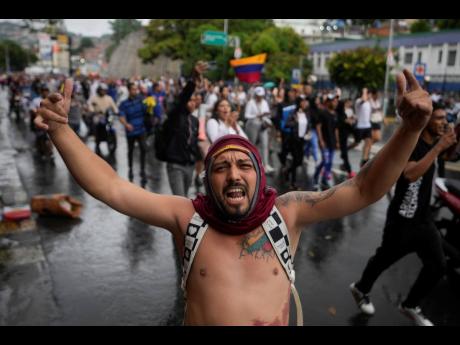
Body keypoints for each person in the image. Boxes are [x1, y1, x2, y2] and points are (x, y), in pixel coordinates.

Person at [35, 68, 432, 326]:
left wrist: (410, 130)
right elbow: (112, 188)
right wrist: (61, 132)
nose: (233, 174)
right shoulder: (187, 217)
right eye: (221, 168)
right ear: (208, 180)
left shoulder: (288, 213)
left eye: (244, 165)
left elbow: (364, 188)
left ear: (260, 176)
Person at [350, 102, 457, 326]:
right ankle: (360, 289)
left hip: (424, 220)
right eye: (438, 118)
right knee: (383, 259)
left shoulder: (436, 142)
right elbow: (409, 174)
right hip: (402, 221)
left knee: (438, 266)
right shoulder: (413, 144)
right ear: (425, 121)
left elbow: (449, 155)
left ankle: (409, 305)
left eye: (444, 117)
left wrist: (449, 140)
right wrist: (438, 149)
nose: (443, 122)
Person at [118, 82, 149, 187]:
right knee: (130, 150)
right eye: (133, 89)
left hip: (141, 129)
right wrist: (126, 124)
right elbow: (121, 116)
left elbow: (148, 111)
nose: (135, 91)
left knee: (144, 148)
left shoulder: (141, 100)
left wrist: (151, 105)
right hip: (130, 131)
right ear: (129, 90)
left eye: (136, 89)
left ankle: (142, 170)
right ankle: (130, 168)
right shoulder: (124, 103)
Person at [244, 86, 274, 174]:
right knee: (252, 144)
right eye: (259, 95)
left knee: (265, 144)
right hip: (252, 125)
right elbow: (246, 115)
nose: (260, 97)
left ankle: (265, 164)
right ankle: (251, 163)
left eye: (261, 95)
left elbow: (267, 113)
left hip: (262, 125)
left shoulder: (264, 102)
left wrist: (266, 115)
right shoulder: (250, 103)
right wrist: (256, 115)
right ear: (255, 95)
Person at [313, 94, 339, 190]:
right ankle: (315, 178)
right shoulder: (323, 113)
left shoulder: (335, 114)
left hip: (332, 142)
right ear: (328, 102)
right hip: (325, 142)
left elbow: (336, 129)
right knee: (325, 161)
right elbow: (318, 127)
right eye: (333, 101)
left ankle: (324, 180)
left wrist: (337, 141)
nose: (335, 103)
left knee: (330, 162)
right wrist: (321, 140)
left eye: (336, 101)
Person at [284, 95, 310, 190]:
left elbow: (308, 124)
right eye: (303, 102)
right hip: (294, 139)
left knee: (300, 161)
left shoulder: (306, 113)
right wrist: (295, 121)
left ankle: (287, 171)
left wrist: (308, 131)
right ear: (299, 103)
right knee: (296, 159)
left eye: (305, 101)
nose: (305, 103)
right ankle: (293, 183)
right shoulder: (293, 113)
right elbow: (287, 124)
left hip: (302, 140)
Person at [354, 88, 373, 167]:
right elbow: (363, 99)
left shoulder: (368, 103)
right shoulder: (359, 101)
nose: (370, 95)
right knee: (356, 143)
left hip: (367, 126)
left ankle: (364, 160)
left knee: (368, 142)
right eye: (369, 94)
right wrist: (364, 91)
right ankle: (346, 149)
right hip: (360, 126)